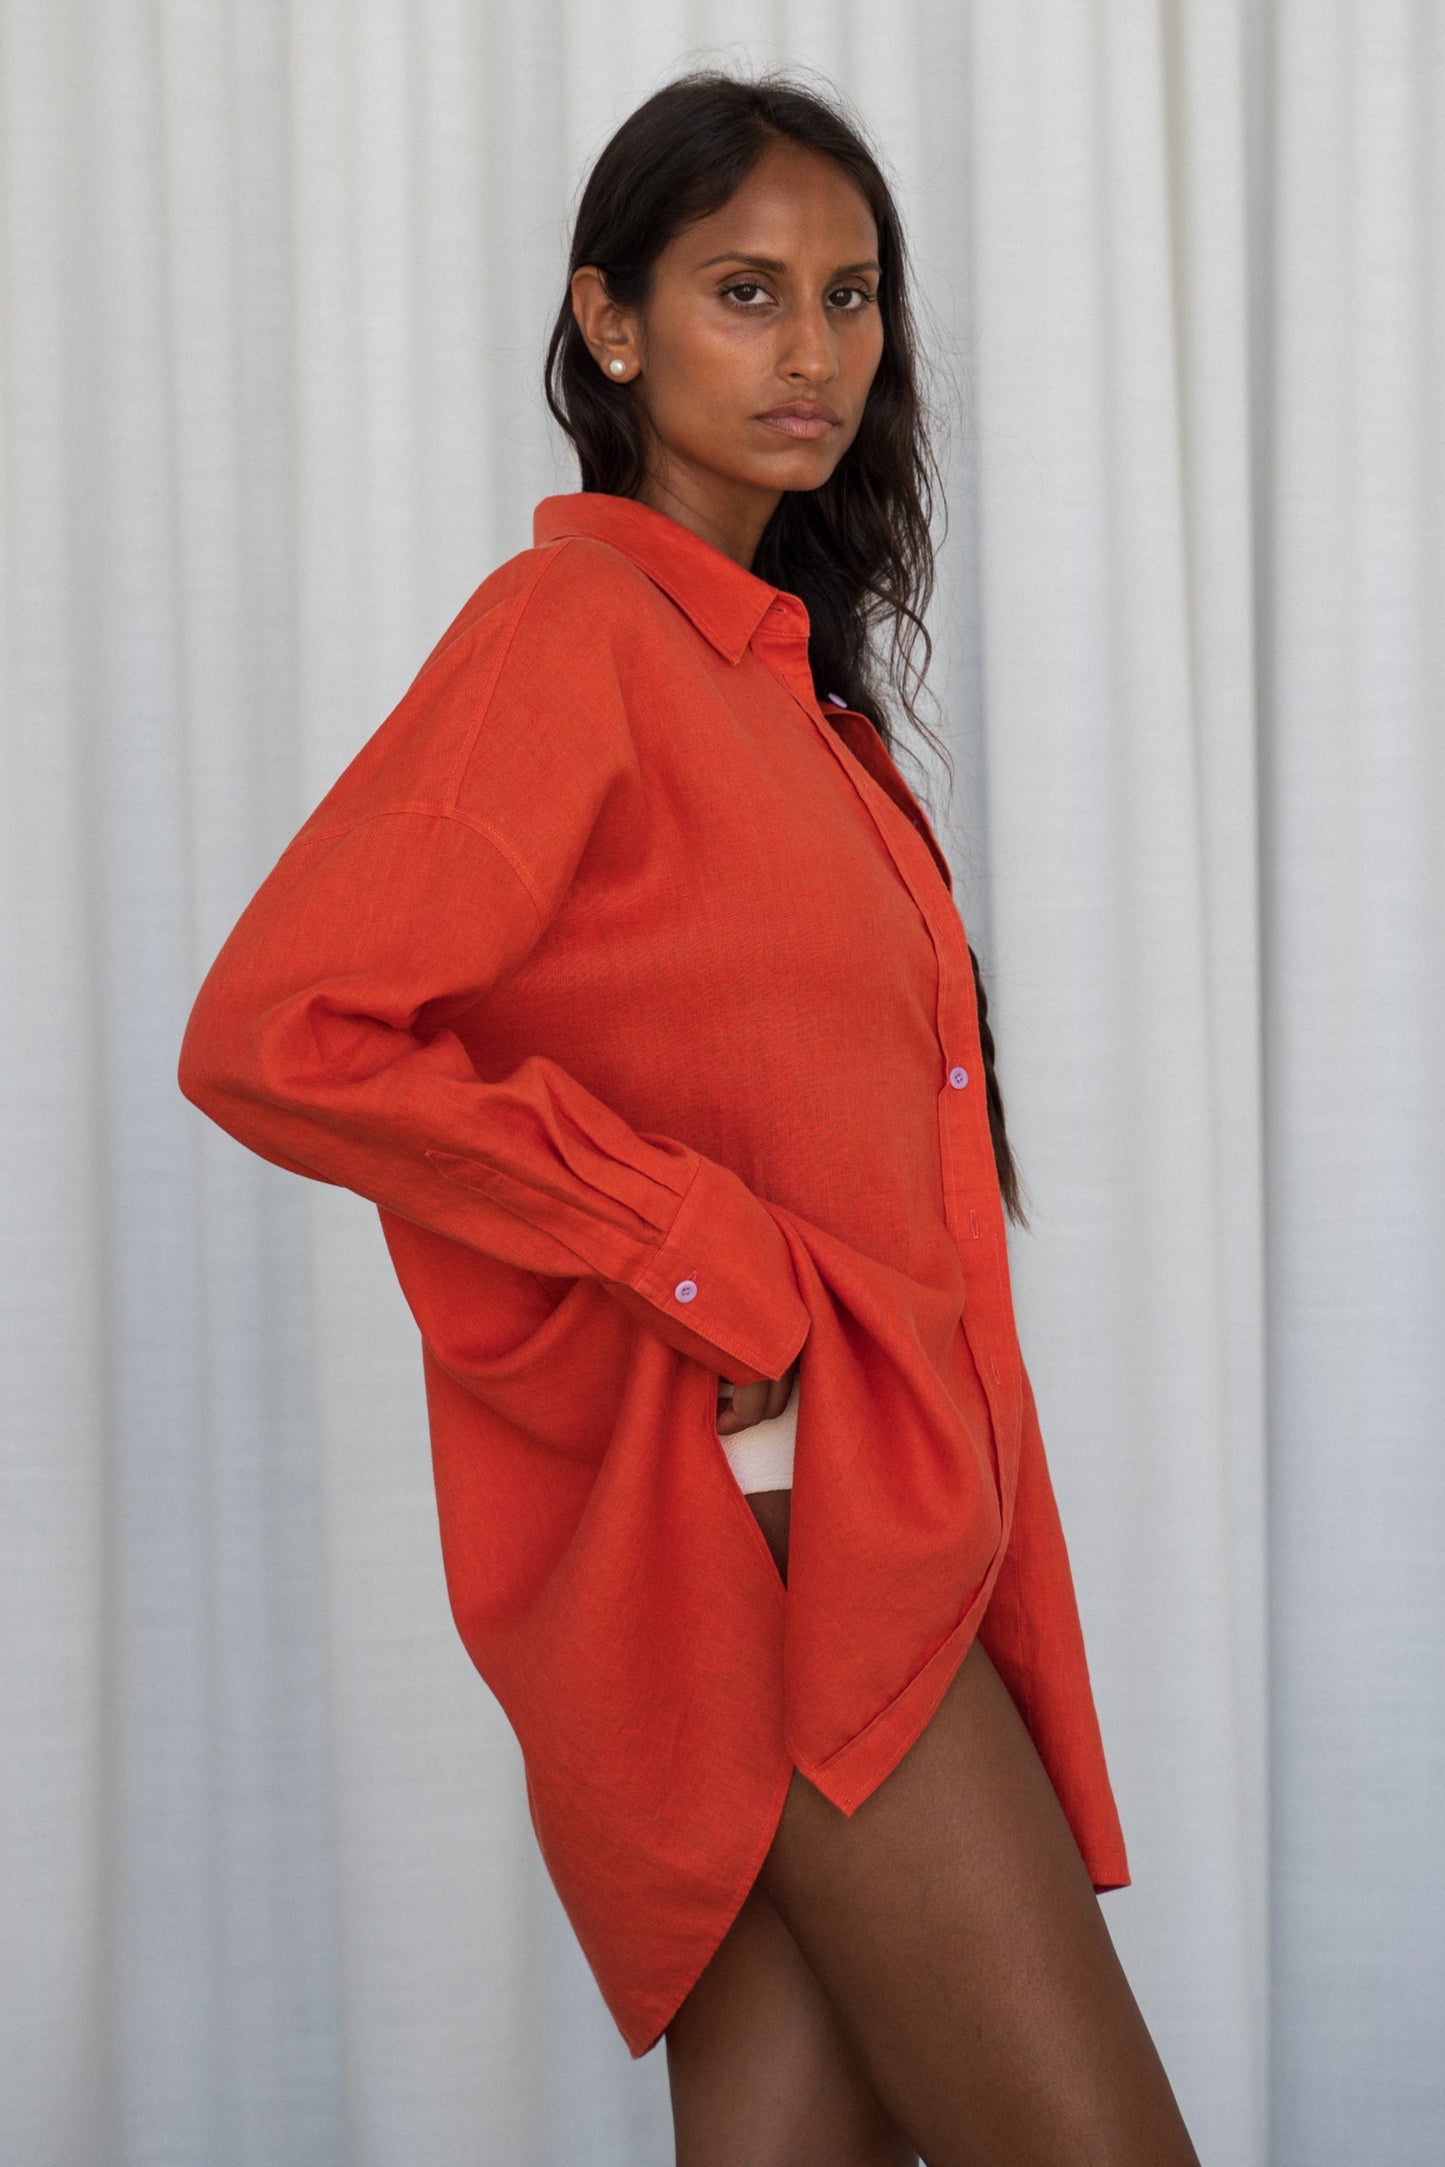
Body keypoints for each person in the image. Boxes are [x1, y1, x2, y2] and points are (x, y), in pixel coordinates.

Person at [178, 66, 1200, 2167]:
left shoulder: (788, 694)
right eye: (746, 291)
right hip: (775, 1528)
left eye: (851, 296)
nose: (815, 349)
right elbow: (282, 1027)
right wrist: (709, 1255)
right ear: (613, 321)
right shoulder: (574, 630)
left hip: (849, 1500)